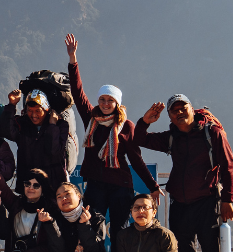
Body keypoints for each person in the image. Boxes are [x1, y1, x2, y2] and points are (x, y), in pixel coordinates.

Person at [134, 94, 233, 252]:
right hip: (180, 202)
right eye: (175, 110)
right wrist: (146, 121)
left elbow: (229, 167)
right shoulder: (172, 137)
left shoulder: (212, 134)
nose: (180, 113)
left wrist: (228, 199)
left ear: (192, 109)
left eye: (183, 108)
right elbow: (139, 139)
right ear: (170, 116)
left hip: (207, 200)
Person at [65, 34, 162, 236]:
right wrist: (73, 59)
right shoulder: (91, 118)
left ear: (117, 103)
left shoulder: (126, 126)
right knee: (94, 229)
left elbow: (136, 159)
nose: (105, 104)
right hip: (95, 185)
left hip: (120, 185)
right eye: (102, 99)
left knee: (120, 232)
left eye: (110, 100)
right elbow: (78, 91)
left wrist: (152, 186)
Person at [0, 86, 76, 188]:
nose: (33, 115)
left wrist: (52, 126)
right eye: (30, 110)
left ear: (46, 109)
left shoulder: (60, 125)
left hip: (52, 185)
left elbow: (53, 151)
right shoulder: (23, 123)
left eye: (38, 111)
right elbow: (6, 132)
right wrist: (11, 105)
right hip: (28, 184)